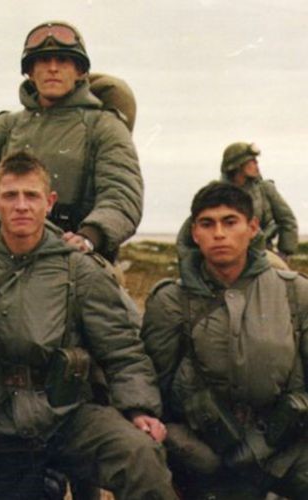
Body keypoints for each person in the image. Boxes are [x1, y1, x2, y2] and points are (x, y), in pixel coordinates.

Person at [0, 151, 176, 499]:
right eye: (10, 196)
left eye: (32, 195)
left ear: (49, 202)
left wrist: (139, 408)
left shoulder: (80, 269)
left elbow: (121, 348)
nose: (21, 206)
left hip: (66, 416)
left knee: (139, 456)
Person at [142, 181, 308, 499]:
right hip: (204, 454)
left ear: (252, 228)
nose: (219, 233)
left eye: (230, 222)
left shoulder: (295, 293)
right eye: (207, 224)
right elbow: (154, 388)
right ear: (194, 233)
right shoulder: (171, 301)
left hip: (285, 448)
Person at [0, 21, 142, 263]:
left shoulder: (105, 127)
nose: (52, 68)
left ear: (80, 72)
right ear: (30, 72)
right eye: (43, 61)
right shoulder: (6, 127)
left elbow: (122, 197)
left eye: (63, 60)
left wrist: (88, 237)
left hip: (76, 259)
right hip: (2, 259)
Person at [220, 141, 298, 259]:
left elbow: (287, 221)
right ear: (238, 165)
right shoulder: (216, 193)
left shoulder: (265, 189)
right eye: (252, 161)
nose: (257, 165)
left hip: (263, 253)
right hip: (228, 254)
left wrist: (284, 253)